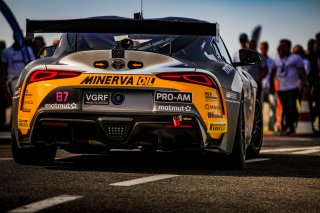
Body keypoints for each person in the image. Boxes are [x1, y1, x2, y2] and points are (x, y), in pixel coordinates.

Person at [270, 39, 308, 136]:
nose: (281, 48)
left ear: (289, 47)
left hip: (293, 87)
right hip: (282, 88)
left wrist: (304, 82)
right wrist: (271, 86)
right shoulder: (277, 59)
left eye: (284, 46)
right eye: (280, 46)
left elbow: (302, 71)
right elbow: (272, 73)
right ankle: (289, 127)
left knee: (292, 106)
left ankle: (292, 126)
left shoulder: (296, 58)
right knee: (286, 108)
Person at [1, 35, 35, 128]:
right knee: (15, 101)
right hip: (13, 79)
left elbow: (32, 63)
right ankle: (13, 123)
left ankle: (16, 123)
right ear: (14, 38)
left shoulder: (28, 50)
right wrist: (4, 81)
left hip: (24, 79)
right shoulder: (7, 52)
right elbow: (4, 67)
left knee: (22, 102)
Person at [260, 41, 276, 131]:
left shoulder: (271, 61)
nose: (263, 50)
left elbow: (273, 75)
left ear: (267, 48)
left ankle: (271, 126)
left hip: (269, 87)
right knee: (260, 108)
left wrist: (273, 87)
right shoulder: (258, 60)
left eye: (265, 48)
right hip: (261, 87)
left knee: (273, 106)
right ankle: (260, 127)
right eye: (262, 48)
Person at [0, 40, 9, 130]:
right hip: (5, 80)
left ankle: (4, 122)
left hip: (4, 80)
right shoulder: (5, 52)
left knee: (3, 103)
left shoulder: (4, 53)